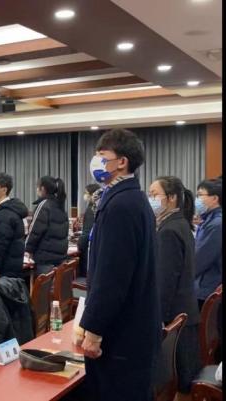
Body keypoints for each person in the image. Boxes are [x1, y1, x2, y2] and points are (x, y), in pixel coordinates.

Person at [77, 129, 160, 401]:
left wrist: (94, 330)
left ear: (122, 162)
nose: (95, 161)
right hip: (133, 325)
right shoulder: (129, 198)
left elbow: (112, 276)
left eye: (102, 155)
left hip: (122, 332)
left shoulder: (121, 205)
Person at [148, 176, 201, 396]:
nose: (150, 199)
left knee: (177, 380)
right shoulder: (180, 223)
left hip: (175, 313)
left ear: (171, 198)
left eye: (154, 195)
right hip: (185, 308)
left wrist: (157, 319)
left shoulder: (169, 230)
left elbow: (165, 280)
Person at [25, 176, 68, 275]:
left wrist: (28, 250)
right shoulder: (59, 204)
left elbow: (34, 231)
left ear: (43, 188)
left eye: (37, 187)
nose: (36, 189)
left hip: (45, 258)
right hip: (60, 256)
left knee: (44, 285)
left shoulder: (44, 205)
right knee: (56, 284)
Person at [194, 178, 222, 309]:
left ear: (215, 198)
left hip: (208, 288)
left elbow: (200, 259)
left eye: (200, 195)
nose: (197, 200)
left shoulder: (216, 224)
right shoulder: (209, 221)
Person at [77, 184, 100, 277]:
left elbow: (87, 232)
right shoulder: (98, 207)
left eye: (86, 193)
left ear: (92, 195)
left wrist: (79, 244)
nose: (84, 195)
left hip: (88, 250)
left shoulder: (91, 209)